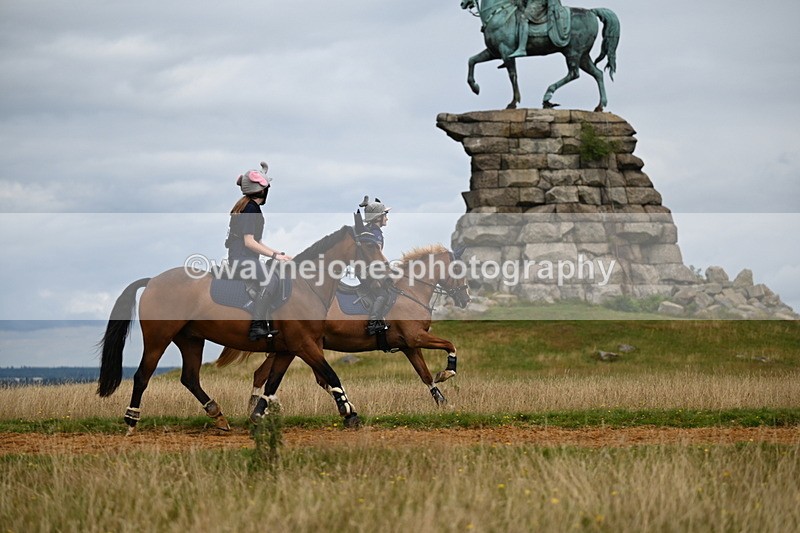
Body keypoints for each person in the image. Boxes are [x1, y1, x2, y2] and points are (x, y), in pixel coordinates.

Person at [225, 162, 292, 341]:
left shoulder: (248, 206)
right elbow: (248, 242)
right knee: (271, 280)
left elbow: (257, 241)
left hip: (245, 259)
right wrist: (274, 255)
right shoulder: (251, 209)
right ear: (261, 190)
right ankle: (257, 325)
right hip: (242, 261)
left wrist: (279, 254)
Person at [358, 196, 392, 336]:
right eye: (385, 215)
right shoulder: (375, 234)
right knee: (384, 292)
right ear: (378, 217)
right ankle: (374, 322)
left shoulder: (370, 230)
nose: (387, 218)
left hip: (366, 270)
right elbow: (377, 256)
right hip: (369, 272)